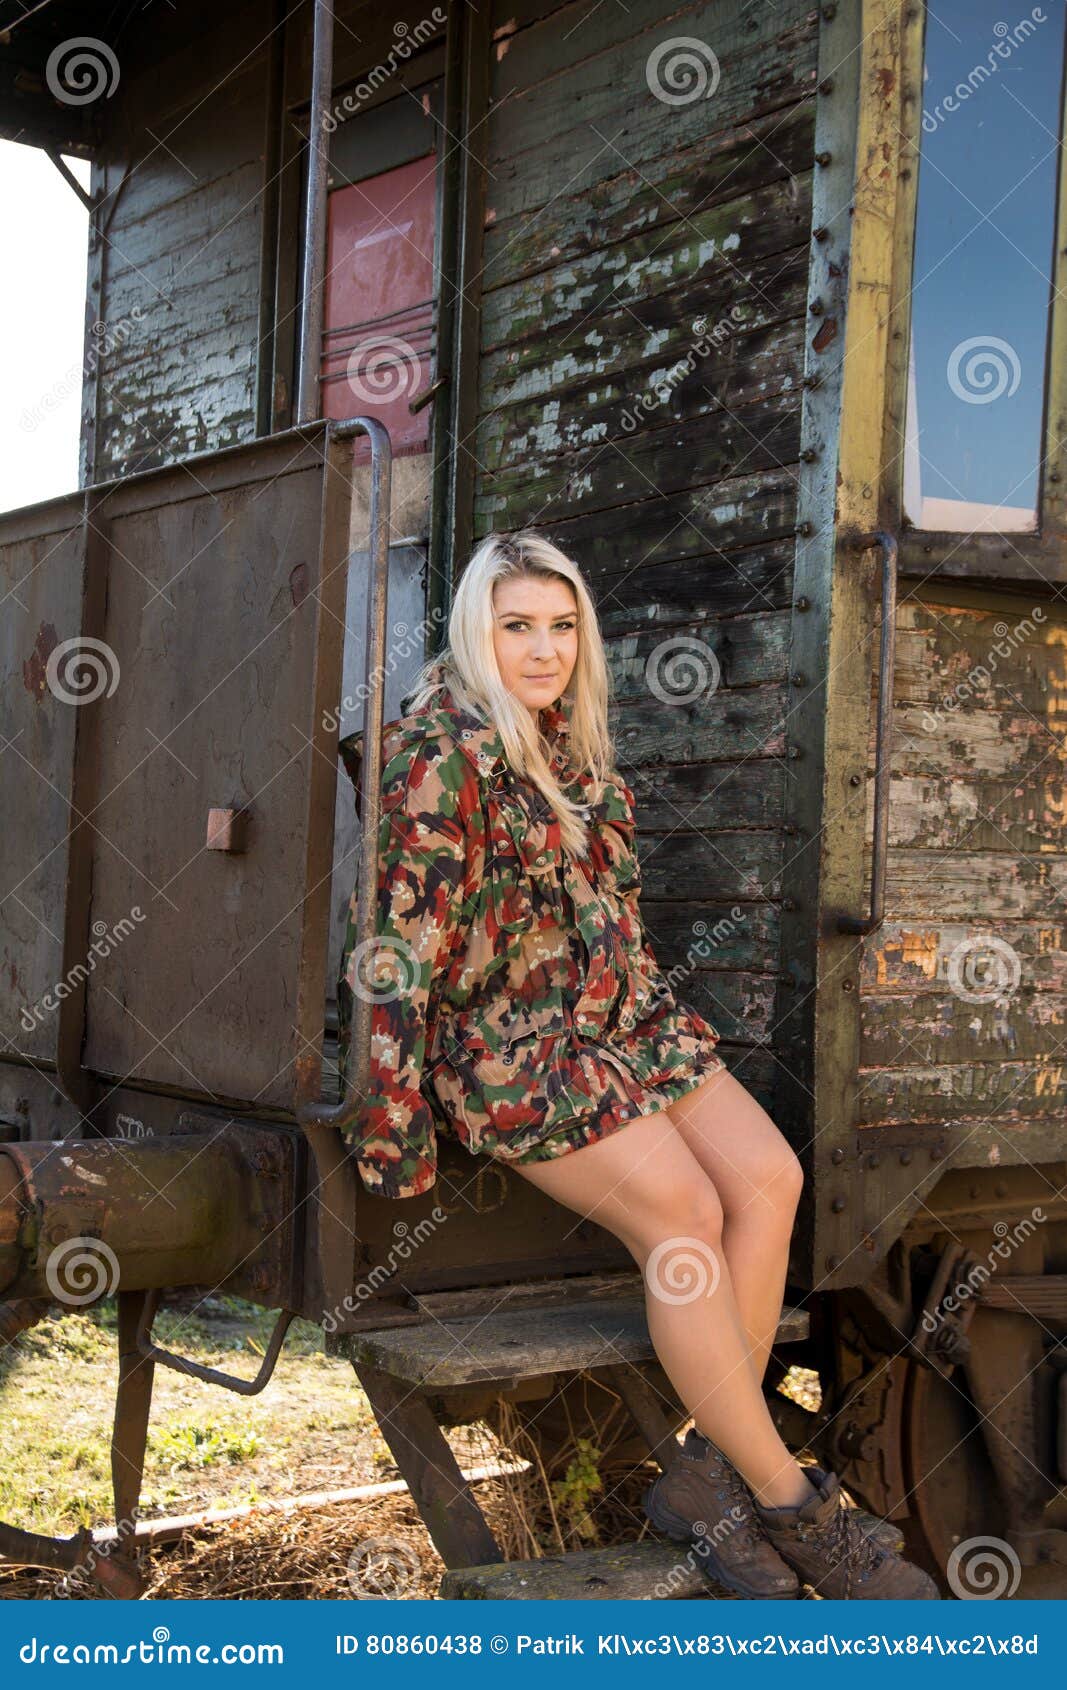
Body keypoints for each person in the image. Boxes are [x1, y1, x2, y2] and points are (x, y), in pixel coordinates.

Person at [337, 529, 938, 1601]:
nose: (542, 648)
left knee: (768, 1180)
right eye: (515, 625)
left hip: (621, 1022)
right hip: (512, 1046)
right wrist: (390, 1112)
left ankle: (706, 1481)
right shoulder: (435, 751)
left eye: (560, 626)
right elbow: (393, 947)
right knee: (682, 1221)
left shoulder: (564, 744)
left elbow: (603, 920)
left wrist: (638, 1017)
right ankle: (794, 1505)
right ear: (476, 628)